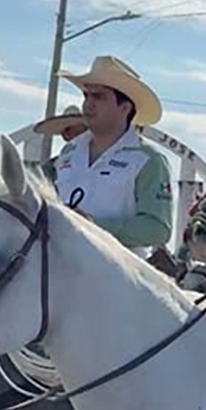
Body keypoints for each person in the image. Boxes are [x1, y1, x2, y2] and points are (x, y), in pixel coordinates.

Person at [52, 56, 172, 259]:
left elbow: (158, 228)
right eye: (86, 96)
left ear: (125, 108)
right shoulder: (68, 154)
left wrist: (92, 226)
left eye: (98, 97)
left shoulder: (148, 160)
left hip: (117, 277)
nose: (88, 104)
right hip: (59, 268)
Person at [34, 105, 88, 182]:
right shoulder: (52, 166)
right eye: (65, 130)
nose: (67, 134)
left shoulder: (99, 160)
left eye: (69, 129)